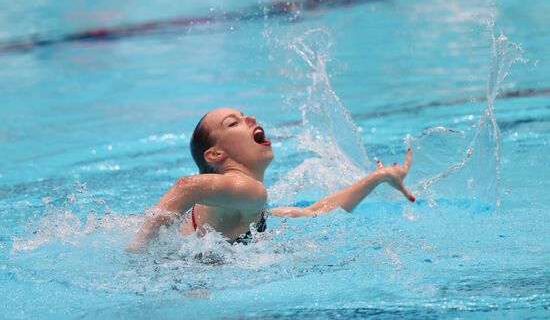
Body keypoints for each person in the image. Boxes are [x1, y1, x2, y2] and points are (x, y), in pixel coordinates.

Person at [126, 107, 415, 252]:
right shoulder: (248, 190)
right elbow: (184, 187)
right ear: (215, 155)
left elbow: (316, 212)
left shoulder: (240, 201)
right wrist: (139, 249)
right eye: (234, 123)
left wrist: (377, 178)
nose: (250, 118)